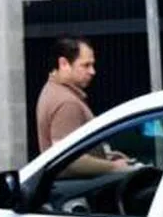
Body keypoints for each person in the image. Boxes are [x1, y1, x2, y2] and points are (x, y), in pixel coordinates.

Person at [34, 35, 129, 174]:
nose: (92, 71)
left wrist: (106, 157)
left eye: (92, 65)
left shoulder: (55, 91)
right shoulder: (67, 102)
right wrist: (115, 167)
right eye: (86, 65)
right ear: (63, 64)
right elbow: (68, 159)